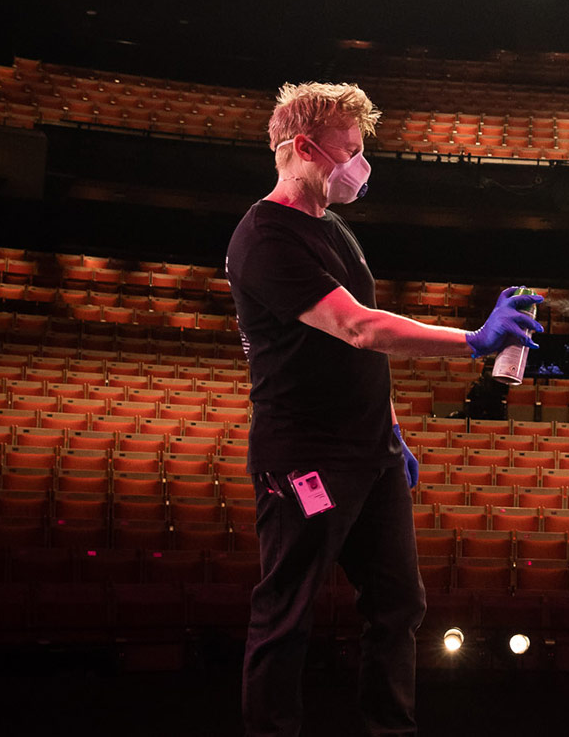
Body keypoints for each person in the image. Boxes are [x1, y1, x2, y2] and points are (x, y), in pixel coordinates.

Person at [225, 81, 543, 737]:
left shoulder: (335, 229)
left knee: (399, 605)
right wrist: (473, 342)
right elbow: (360, 329)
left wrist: (393, 431)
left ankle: (389, 730)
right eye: (349, 149)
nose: (359, 164)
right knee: (287, 609)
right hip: (305, 461)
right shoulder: (264, 239)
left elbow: (366, 354)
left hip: (372, 456)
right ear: (305, 147)